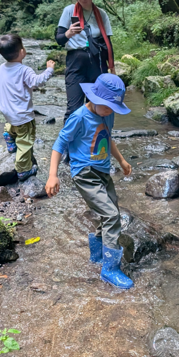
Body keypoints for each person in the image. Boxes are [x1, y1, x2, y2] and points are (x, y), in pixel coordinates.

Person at [45, 73, 133, 289]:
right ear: (93, 99)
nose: (110, 111)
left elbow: (108, 137)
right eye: (107, 107)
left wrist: (121, 160)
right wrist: (52, 174)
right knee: (112, 215)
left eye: (114, 107)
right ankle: (110, 269)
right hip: (84, 172)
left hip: (102, 171)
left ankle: (97, 255)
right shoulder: (79, 117)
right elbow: (59, 143)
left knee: (111, 209)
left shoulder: (107, 113)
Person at [55, 0, 116, 123]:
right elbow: (59, 39)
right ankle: (68, 144)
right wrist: (69, 33)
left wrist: (112, 68)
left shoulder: (101, 14)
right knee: (73, 109)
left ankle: (94, 142)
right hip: (76, 62)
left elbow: (107, 42)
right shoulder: (69, 11)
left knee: (97, 105)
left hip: (97, 62)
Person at [0, 34, 55, 182]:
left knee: (13, 124)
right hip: (22, 114)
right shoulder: (24, 70)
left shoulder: (2, 67)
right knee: (25, 140)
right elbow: (36, 82)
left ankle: (9, 136)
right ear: (22, 51)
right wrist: (49, 70)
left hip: (7, 110)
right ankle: (23, 169)